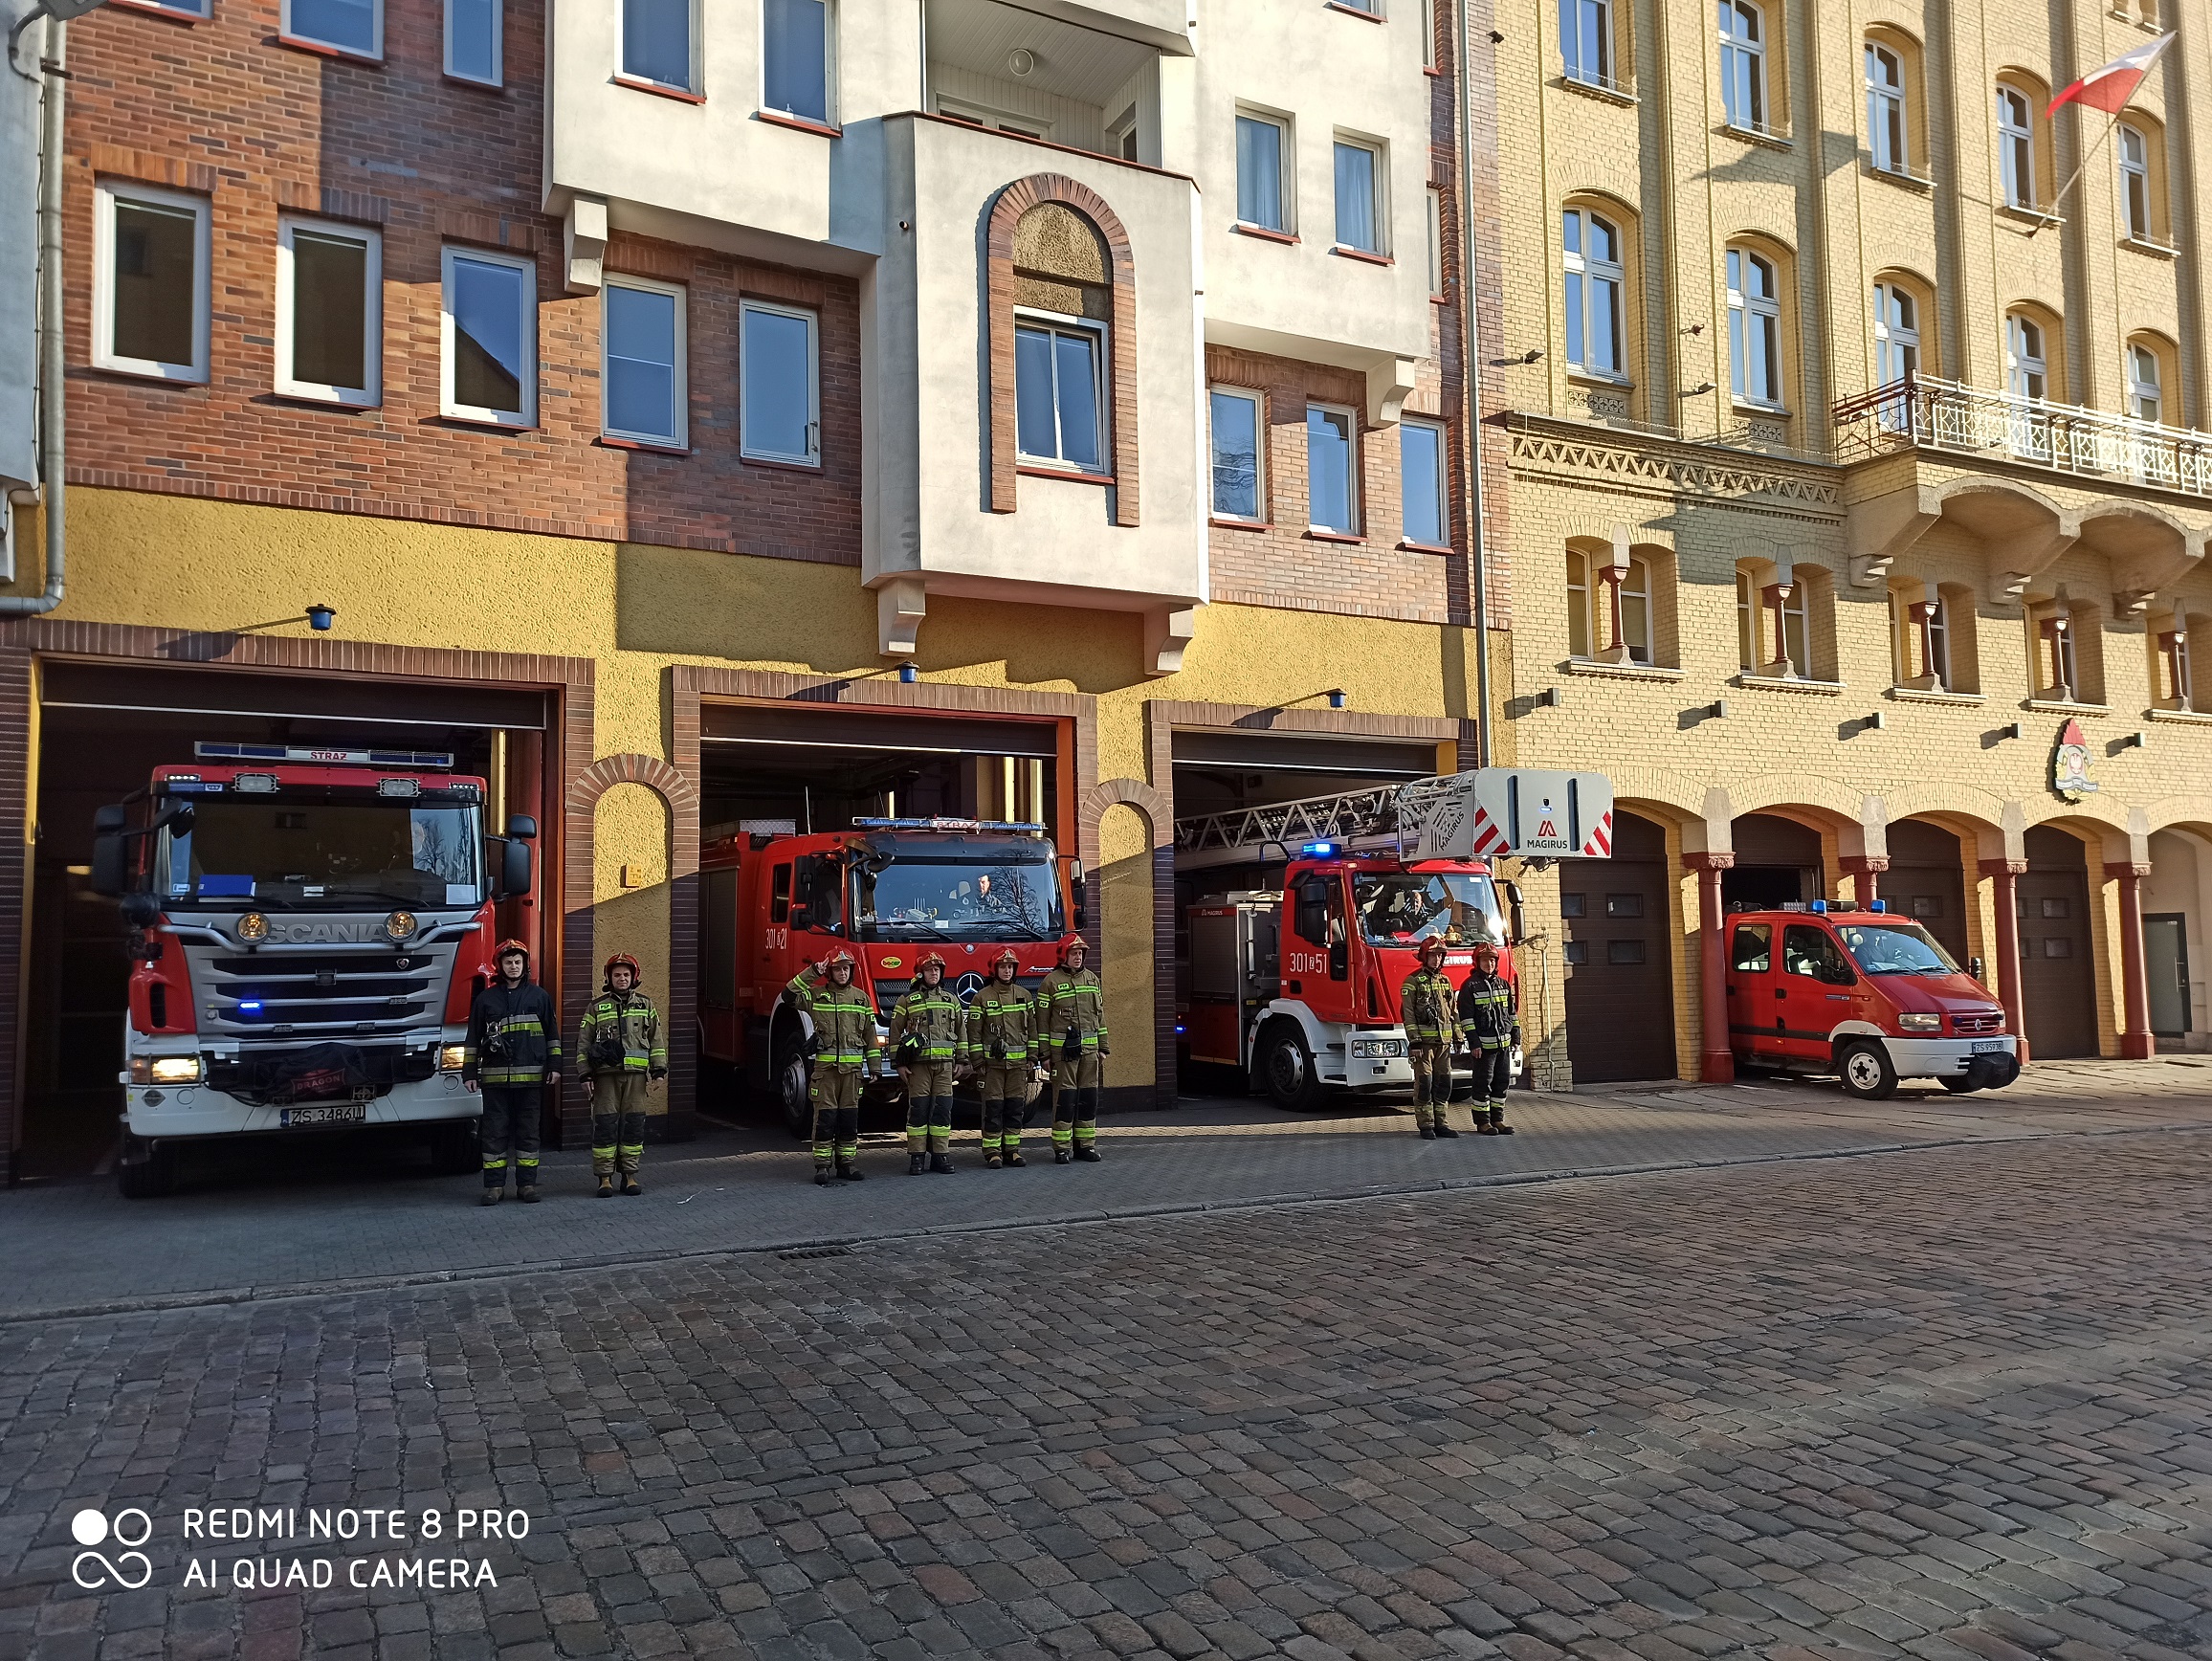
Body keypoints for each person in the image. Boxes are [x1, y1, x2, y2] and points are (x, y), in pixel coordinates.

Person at [462, 939, 561, 1206]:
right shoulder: (485, 1000)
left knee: (528, 1133)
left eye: (518, 962)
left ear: (525, 964)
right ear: (500, 966)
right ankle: (494, 1187)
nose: (514, 966)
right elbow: (472, 1039)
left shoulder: (539, 997)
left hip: (530, 1080)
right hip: (495, 1081)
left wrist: (555, 1066)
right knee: (494, 1134)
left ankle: (526, 1185)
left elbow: (552, 1035)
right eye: (508, 962)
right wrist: (469, 1073)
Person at [579, 953, 666, 1197]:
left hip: (636, 1078)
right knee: (605, 1126)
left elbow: (656, 1040)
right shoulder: (596, 1007)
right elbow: (583, 1043)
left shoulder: (646, 1005)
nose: (622, 978)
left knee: (633, 1126)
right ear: (609, 977)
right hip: (605, 1077)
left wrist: (659, 1070)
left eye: (626, 974)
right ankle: (604, 1178)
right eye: (617, 975)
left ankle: (630, 1176)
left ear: (634, 976)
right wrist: (585, 1075)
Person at [786, 949, 876, 1185]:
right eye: (837, 969)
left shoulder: (861, 998)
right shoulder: (816, 996)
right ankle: (822, 1167)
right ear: (830, 972)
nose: (843, 973)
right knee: (824, 1120)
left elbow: (870, 1036)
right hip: (826, 1074)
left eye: (846, 968)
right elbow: (788, 995)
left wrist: (875, 1068)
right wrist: (812, 971)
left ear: (851, 971)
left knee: (849, 1120)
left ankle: (847, 1164)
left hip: (852, 1075)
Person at [890, 951, 965, 1174]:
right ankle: (917, 1157)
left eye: (937, 969)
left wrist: (961, 1060)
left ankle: (941, 1156)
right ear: (920, 973)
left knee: (942, 1111)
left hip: (945, 1067)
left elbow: (962, 1032)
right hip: (918, 1067)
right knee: (919, 1111)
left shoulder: (951, 1000)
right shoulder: (907, 1000)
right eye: (929, 969)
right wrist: (899, 1064)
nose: (934, 973)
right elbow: (895, 1033)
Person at [967, 947, 1040, 1168]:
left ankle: (1012, 1151)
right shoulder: (981, 997)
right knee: (993, 1108)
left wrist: (1032, 1057)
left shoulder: (1024, 996)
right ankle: (992, 1152)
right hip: (992, 1067)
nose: (1007, 971)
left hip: (1019, 1066)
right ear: (994, 969)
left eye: (1010, 967)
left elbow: (1033, 1030)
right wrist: (978, 1061)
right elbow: (974, 1033)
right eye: (1003, 967)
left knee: (1015, 1108)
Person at [1038, 936, 1107, 1163]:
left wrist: (1103, 1047)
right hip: (1063, 1055)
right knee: (1065, 1100)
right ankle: (1061, 1148)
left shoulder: (1092, 979)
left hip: (1090, 1052)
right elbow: (1042, 1023)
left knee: (1088, 1099)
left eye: (1080, 953)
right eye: (1073, 953)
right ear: (1063, 955)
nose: (1078, 957)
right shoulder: (1050, 982)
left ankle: (1085, 1147)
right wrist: (1045, 1055)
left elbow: (1100, 1017)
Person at [1399, 936, 1463, 1140]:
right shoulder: (1412, 981)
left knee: (1444, 1084)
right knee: (1424, 1084)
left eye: (1440, 956)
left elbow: (1453, 1012)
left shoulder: (1445, 981)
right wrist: (1415, 1041)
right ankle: (1426, 1125)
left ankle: (1441, 1124)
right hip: (1423, 1046)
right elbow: (1408, 1014)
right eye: (1433, 955)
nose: (1437, 959)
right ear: (1424, 957)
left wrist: (1458, 1036)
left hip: (1444, 1044)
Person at [1457, 940, 1520, 1135]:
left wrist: (1516, 1037)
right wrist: (1474, 1043)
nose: (1489, 964)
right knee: (1482, 1084)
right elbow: (1466, 1019)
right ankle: (1482, 1122)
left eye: (1492, 960)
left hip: (1503, 1046)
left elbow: (1512, 1014)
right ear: (1477, 962)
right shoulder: (1470, 986)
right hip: (1484, 1048)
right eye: (1485, 960)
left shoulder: (1503, 984)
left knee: (1501, 1083)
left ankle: (1497, 1120)